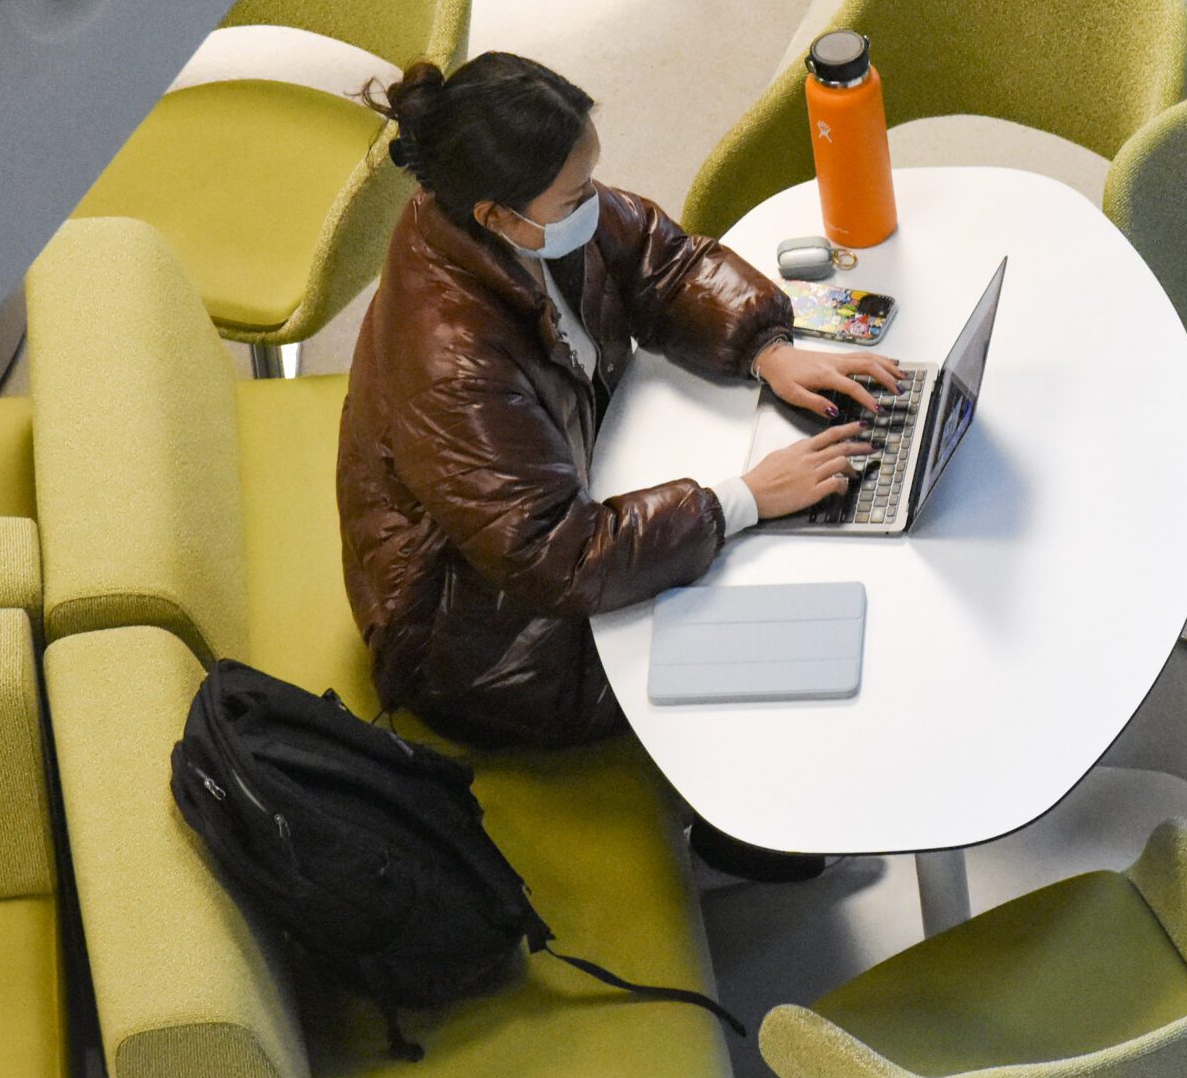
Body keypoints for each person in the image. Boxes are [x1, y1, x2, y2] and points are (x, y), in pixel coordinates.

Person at [337, 51, 901, 777]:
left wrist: (768, 348)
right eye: (574, 198)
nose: (594, 206)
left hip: (556, 518)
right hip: (483, 644)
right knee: (768, 630)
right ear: (498, 214)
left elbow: (658, 262)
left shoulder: (504, 218)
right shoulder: (453, 365)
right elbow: (561, 558)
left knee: (774, 559)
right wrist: (744, 498)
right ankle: (745, 833)